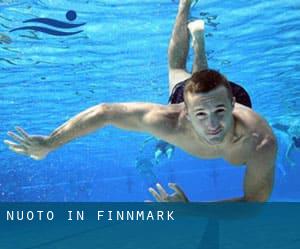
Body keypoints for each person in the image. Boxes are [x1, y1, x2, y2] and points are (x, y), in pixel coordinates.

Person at [4, 0, 277, 202]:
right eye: (201, 115)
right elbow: (105, 112)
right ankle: (185, 6)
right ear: (183, 110)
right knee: (178, 71)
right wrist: (50, 142)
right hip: (203, 97)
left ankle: (199, 43)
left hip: (223, 99)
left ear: (232, 105)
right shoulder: (170, 120)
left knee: (184, 74)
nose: (214, 124)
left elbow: (254, 204)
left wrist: (192, 210)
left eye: (220, 111)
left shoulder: (260, 140)